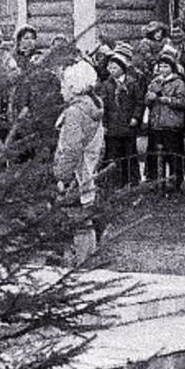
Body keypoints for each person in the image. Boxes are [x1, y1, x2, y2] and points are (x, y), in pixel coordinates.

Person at [53, 60, 106, 264]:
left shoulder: (75, 112)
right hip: (89, 170)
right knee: (86, 216)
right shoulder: (94, 106)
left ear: (74, 87)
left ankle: (78, 261)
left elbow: (72, 148)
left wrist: (61, 176)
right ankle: (88, 257)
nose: (61, 90)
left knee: (75, 216)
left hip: (76, 173)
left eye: (64, 86)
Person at [143, 52, 185, 193]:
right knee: (155, 154)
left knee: (173, 154)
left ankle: (175, 181)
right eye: (160, 66)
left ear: (172, 68)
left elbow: (183, 102)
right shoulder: (154, 81)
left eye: (166, 66)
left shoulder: (178, 83)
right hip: (156, 124)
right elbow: (147, 101)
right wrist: (149, 98)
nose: (162, 69)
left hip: (172, 124)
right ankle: (156, 181)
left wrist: (167, 99)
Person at [100, 45, 142, 187]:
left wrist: (136, 117)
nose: (111, 70)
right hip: (112, 126)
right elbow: (103, 106)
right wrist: (104, 124)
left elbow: (139, 102)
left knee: (130, 153)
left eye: (115, 68)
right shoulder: (106, 85)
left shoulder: (132, 84)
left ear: (122, 68)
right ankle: (115, 182)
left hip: (128, 125)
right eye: (110, 68)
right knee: (113, 154)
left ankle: (132, 181)